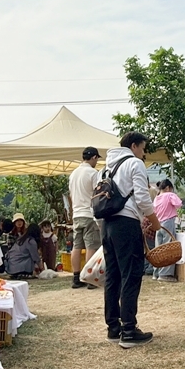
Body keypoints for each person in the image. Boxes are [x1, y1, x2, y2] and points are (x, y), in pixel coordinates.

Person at [101, 132, 161, 348]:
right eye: (143, 148)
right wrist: (155, 223)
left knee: (113, 275)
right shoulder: (134, 163)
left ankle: (113, 327)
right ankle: (128, 330)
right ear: (134, 146)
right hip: (126, 224)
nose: (143, 153)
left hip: (106, 225)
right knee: (131, 274)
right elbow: (143, 198)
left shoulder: (106, 167)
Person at [69, 146, 102, 289]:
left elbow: (70, 195)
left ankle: (76, 277)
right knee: (91, 245)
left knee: (76, 246)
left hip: (76, 214)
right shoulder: (93, 173)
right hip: (89, 213)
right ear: (94, 157)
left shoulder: (73, 173)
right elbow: (97, 194)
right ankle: (89, 277)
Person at [152, 179, 182, 282]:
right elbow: (178, 204)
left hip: (158, 223)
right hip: (168, 222)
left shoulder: (156, 198)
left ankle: (156, 273)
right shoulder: (169, 195)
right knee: (168, 249)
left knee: (158, 249)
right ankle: (165, 274)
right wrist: (172, 195)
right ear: (168, 188)